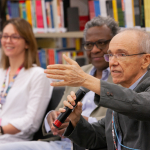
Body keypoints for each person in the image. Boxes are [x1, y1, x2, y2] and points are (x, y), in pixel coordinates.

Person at [0, 16, 119, 150]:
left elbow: (119, 123)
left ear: (116, 44)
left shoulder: (121, 76)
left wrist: (79, 121)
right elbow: (58, 112)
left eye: (102, 43)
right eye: (89, 44)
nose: (95, 50)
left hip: (93, 144)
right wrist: (51, 117)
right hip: (61, 143)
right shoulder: (77, 72)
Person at [45, 28, 150, 150]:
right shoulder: (120, 95)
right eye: (110, 55)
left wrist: (86, 80)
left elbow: (140, 104)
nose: (113, 62)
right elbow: (96, 138)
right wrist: (76, 121)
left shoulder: (124, 96)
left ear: (145, 60)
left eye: (122, 54)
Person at [0, 18, 53, 144]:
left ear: (27, 43)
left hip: (12, 141)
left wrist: (1, 130)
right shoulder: (2, 72)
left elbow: (31, 122)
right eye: (5, 36)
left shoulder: (38, 75)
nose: (8, 41)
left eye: (14, 37)